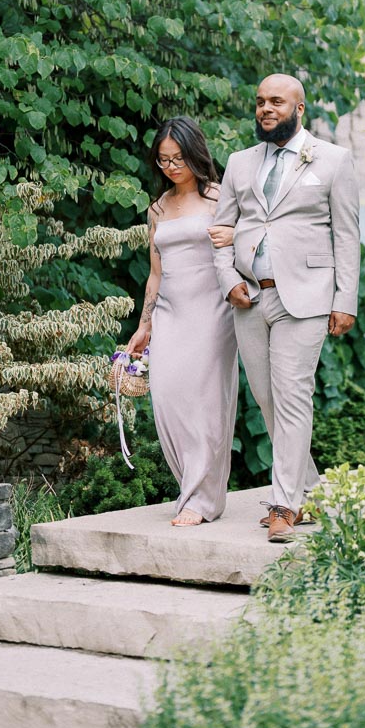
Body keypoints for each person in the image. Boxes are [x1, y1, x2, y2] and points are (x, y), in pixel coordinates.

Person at [212, 74, 360, 542]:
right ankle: (310, 492)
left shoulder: (333, 160)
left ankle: (284, 504)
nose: (265, 109)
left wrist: (345, 300)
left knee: (293, 398)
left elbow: (348, 236)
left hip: (308, 297)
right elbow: (221, 233)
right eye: (259, 102)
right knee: (267, 401)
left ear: (299, 108)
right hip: (251, 298)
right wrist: (229, 280)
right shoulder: (239, 162)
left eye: (276, 101)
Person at [127, 117, 239, 526]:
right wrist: (145, 325)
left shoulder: (220, 197)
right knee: (167, 399)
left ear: (195, 154)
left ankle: (202, 499)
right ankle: (190, 486)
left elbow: (241, 248)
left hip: (213, 311)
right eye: (162, 161)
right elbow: (155, 273)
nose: (171, 167)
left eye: (177, 158)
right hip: (170, 313)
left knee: (206, 403)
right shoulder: (157, 208)